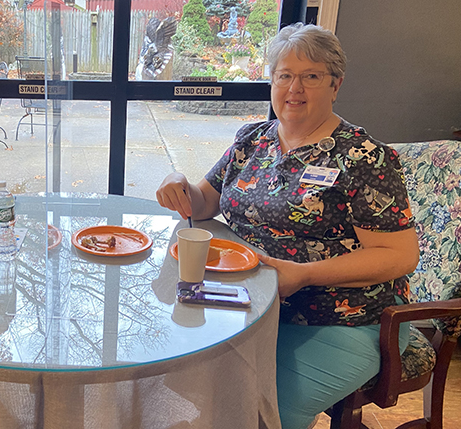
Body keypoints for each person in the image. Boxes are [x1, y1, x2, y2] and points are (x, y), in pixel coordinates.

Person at [156, 23, 419, 429]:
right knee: (184, 372)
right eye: (284, 75)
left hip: (344, 319)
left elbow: (400, 256)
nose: (294, 88)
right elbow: (205, 202)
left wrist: (306, 274)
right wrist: (177, 182)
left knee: (260, 404)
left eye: (311, 76)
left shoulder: (364, 157)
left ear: (336, 85)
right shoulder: (253, 140)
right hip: (251, 306)